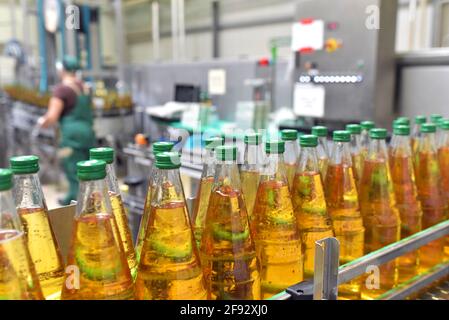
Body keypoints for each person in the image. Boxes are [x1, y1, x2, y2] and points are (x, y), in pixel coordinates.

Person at [38, 55, 95, 206]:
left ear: (62, 70)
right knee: (88, 167)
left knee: (73, 167)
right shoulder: (84, 87)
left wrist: (42, 122)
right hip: (88, 132)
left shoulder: (62, 90)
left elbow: (52, 116)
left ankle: (76, 202)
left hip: (71, 135)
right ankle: (89, 198)